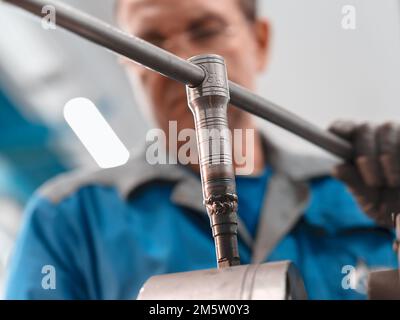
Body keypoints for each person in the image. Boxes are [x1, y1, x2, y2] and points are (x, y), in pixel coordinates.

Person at [5, 0, 399, 300]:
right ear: (127, 61)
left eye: (206, 30)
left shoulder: (362, 195)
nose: (179, 59)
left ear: (260, 42)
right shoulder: (72, 218)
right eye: (150, 43)